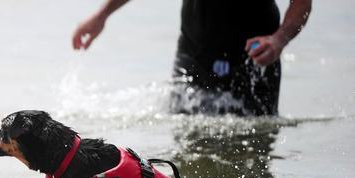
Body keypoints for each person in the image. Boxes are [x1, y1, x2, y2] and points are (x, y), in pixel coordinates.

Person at [72, 0, 312, 116]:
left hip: (257, 57)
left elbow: (302, 2)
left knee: (257, 139)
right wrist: (102, 15)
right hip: (195, 50)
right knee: (188, 139)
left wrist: (279, 40)